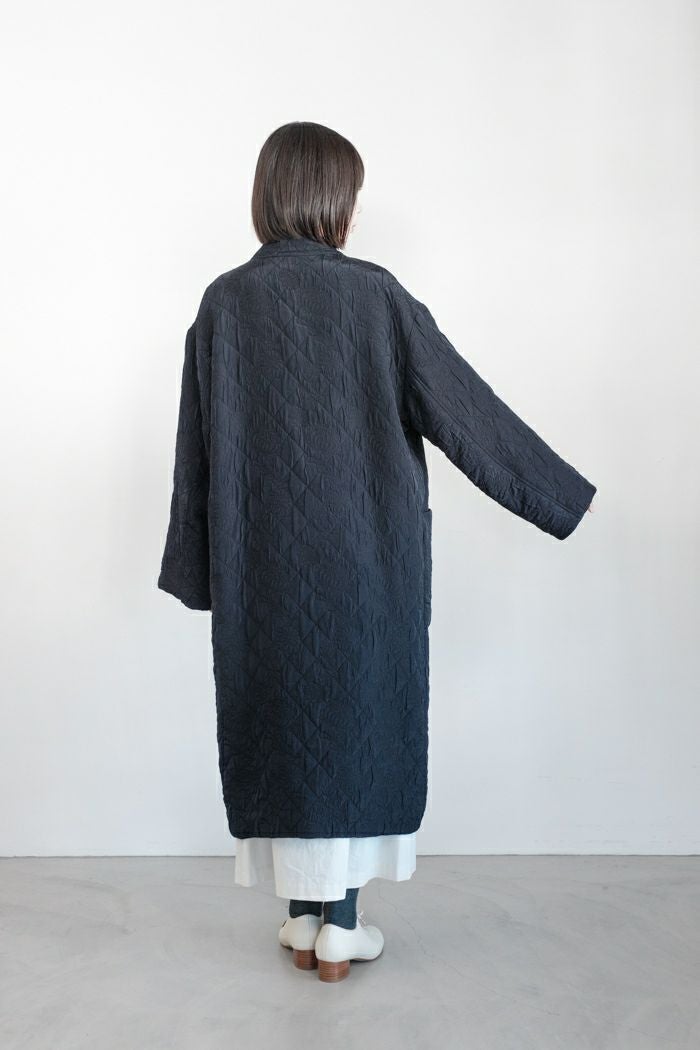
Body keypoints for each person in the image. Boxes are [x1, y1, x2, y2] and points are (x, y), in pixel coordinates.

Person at [157, 121, 596, 983]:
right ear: (335, 202)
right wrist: (561, 498)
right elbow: (469, 413)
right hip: (366, 565)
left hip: (261, 570)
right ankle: (342, 929)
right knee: (355, 730)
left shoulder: (221, 305)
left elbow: (195, 453)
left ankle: (302, 920)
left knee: (281, 728)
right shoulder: (377, 298)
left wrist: (199, 571)